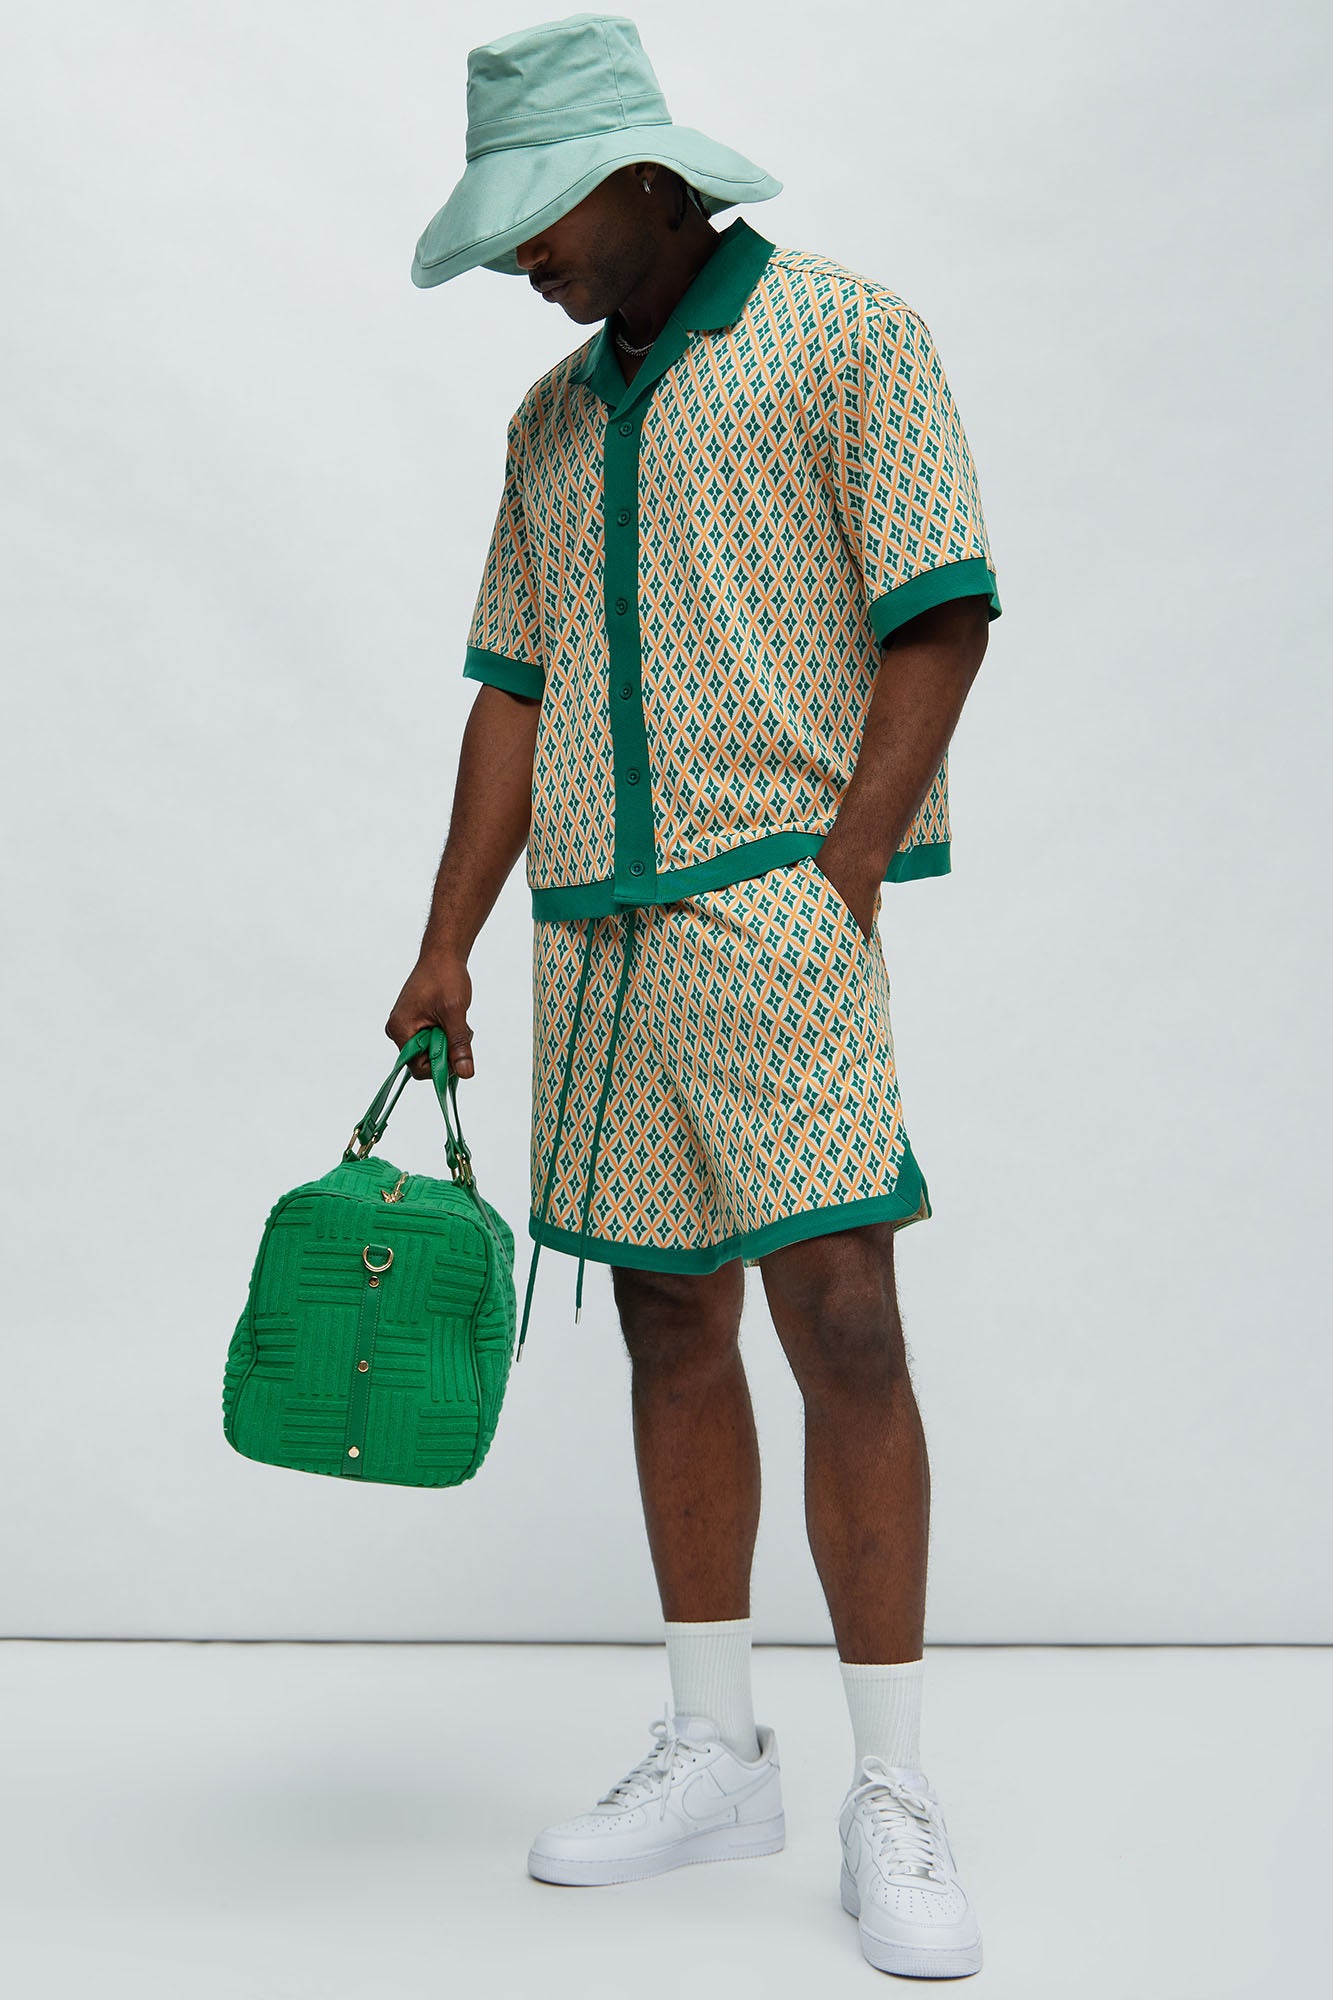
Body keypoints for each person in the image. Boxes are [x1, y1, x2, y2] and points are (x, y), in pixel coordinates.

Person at [390, 13, 1001, 1980]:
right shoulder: (547, 424)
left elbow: (941, 610)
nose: (523, 256)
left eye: (543, 217)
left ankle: (890, 1786)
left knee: (845, 1320)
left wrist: (844, 870)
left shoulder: (847, 335)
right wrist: (446, 939)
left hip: (770, 911)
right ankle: (713, 1746)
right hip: (594, 930)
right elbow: (511, 690)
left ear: (646, 177)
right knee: (667, 1321)